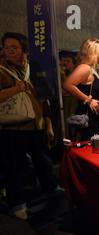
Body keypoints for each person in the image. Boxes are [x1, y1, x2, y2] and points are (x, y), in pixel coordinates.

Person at [0, 32, 59, 220]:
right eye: (6, 47)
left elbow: (44, 99)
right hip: (12, 128)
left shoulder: (34, 68)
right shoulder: (1, 70)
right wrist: (16, 89)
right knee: (14, 167)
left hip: (37, 125)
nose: (9, 50)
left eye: (14, 47)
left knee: (43, 160)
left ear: (25, 50)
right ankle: (17, 203)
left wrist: (48, 124)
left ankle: (51, 189)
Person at [64, 38, 99, 140]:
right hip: (89, 121)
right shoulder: (85, 68)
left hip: (95, 119)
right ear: (94, 53)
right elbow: (67, 85)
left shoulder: (90, 69)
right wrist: (89, 100)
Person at [59, 50, 78, 139]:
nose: (65, 63)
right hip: (65, 101)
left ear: (74, 62)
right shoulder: (63, 73)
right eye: (64, 61)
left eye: (68, 61)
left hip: (74, 101)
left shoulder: (77, 73)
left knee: (73, 121)